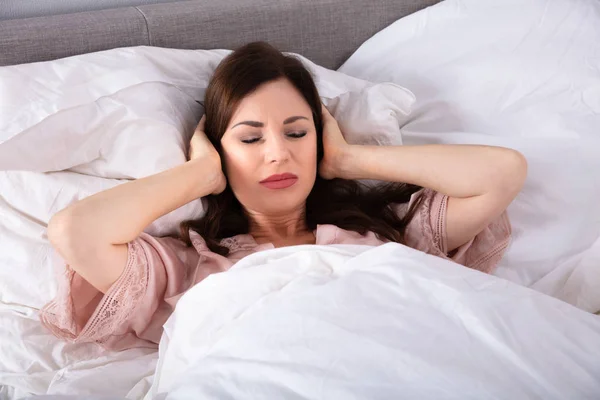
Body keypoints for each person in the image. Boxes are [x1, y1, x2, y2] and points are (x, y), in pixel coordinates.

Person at [41, 42, 526, 350]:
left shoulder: (388, 234)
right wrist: (200, 175)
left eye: (297, 134)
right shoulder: (188, 269)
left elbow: (502, 173)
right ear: (218, 150)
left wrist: (347, 159)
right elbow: (74, 231)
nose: (278, 155)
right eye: (250, 140)